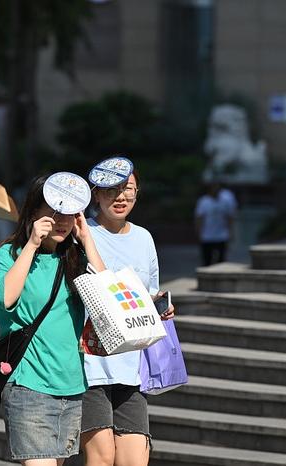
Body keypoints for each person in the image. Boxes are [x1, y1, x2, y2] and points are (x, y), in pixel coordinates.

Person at [0, 174, 105, 466]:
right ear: (34, 212)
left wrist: (87, 241)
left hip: (71, 385)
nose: (62, 220)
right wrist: (32, 245)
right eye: (54, 211)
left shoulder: (75, 258)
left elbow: (106, 298)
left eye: (70, 213)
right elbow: (6, 297)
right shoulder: (9, 254)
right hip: (28, 386)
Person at [80, 167, 175, 466]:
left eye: (128, 189)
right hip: (90, 364)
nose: (120, 197)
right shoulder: (81, 233)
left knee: (135, 459)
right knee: (102, 457)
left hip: (132, 367)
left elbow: (148, 293)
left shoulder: (144, 238)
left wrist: (160, 307)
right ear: (95, 194)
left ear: (137, 192)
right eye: (110, 190)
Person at [194, 182, 237, 266]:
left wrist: (231, 232)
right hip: (207, 236)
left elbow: (229, 217)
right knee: (207, 261)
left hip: (221, 236)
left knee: (222, 261)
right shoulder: (204, 202)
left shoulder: (225, 201)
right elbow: (199, 218)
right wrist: (199, 233)